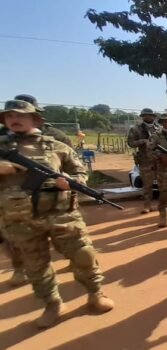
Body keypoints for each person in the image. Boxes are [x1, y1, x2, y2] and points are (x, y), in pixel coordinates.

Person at [0, 99, 114, 328]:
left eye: (20, 115)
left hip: (62, 214)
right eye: (9, 116)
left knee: (83, 254)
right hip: (18, 218)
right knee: (35, 265)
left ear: (35, 119)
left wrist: (72, 182)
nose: (14, 119)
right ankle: (52, 304)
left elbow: (79, 170)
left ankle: (95, 293)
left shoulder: (57, 146)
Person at [127, 108, 160, 214]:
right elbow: (131, 143)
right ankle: (147, 205)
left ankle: (165, 204)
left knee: (165, 183)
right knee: (147, 184)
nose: (148, 117)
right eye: (145, 115)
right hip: (145, 160)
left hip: (159, 160)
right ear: (142, 116)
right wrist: (143, 141)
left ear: (154, 117)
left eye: (150, 115)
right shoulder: (136, 129)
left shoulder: (159, 128)